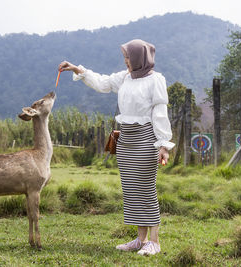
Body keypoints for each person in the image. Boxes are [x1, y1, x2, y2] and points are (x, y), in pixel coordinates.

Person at [58, 39, 174, 256]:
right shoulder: (124, 78)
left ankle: (154, 242)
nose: (126, 62)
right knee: (132, 190)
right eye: (125, 58)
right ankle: (140, 240)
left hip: (146, 137)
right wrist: (77, 69)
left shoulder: (156, 80)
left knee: (146, 189)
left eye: (129, 58)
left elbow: (159, 113)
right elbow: (102, 83)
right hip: (126, 139)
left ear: (140, 58)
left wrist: (163, 145)